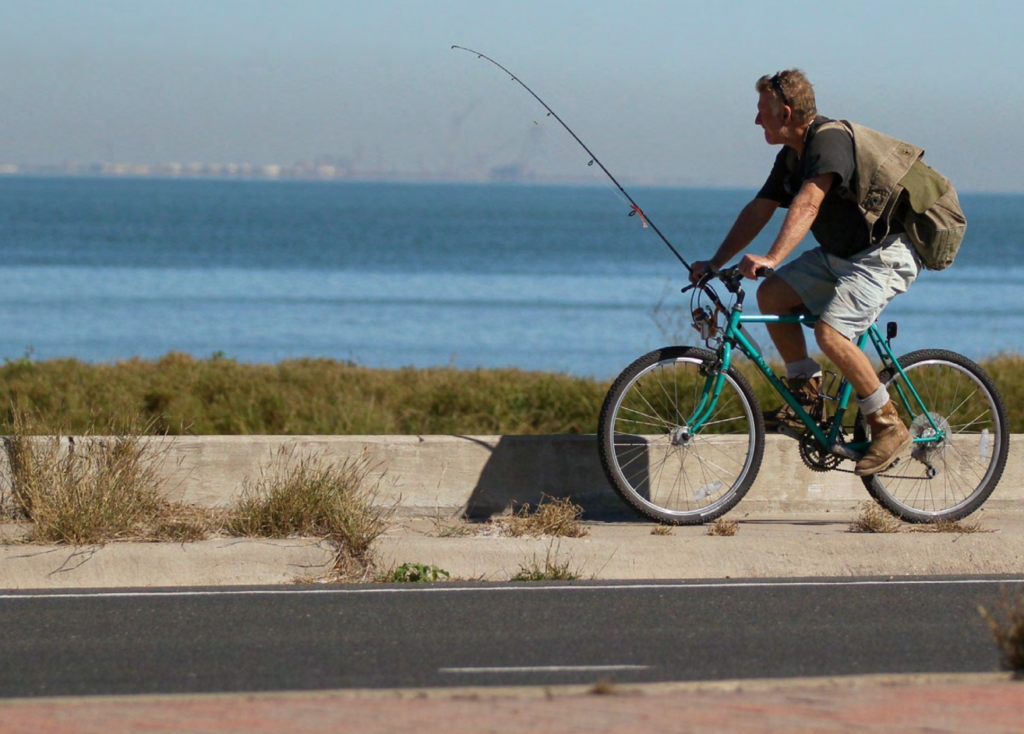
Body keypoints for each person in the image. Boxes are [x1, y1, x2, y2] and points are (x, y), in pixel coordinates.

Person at [690, 69, 917, 477]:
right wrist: (714, 262)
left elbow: (809, 204)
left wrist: (773, 257)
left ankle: (888, 424)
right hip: (840, 255)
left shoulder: (828, 141)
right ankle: (808, 398)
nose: (757, 120)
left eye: (763, 112)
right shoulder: (792, 154)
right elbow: (759, 209)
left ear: (787, 113)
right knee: (773, 295)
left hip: (882, 255)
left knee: (830, 334)